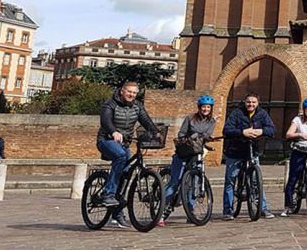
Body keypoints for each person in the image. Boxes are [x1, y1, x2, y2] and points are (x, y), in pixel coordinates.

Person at [96, 81, 158, 229]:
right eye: (129, 92)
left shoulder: (137, 106)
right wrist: (113, 132)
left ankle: (117, 214)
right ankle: (108, 193)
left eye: (135, 93)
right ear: (122, 91)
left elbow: (146, 121)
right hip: (107, 140)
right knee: (121, 157)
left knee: (125, 175)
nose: (132, 95)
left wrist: (155, 132)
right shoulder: (110, 104)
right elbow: (105, 121)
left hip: (125, 143)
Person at [159, 95, 217, 226]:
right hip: (185, 152)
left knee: (194, 184)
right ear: (199, 107)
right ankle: (161, 213)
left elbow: (207, 135)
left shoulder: (212, 121)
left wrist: (206, 139)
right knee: (174, 183)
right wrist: (189, 139)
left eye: (208, 107)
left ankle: (190, 212)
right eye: (203, 107)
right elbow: (181, 133)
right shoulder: (190, 118)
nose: (206, 109)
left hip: (197, 153)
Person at [222, 92, 276, 220]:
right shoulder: (237, 113)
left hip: (252, 150)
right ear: (245, 102)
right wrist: (242, 132)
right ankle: (228, 210)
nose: (250, 104)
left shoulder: (262, 114)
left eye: (253, 102)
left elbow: (272, 129)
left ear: (258, 103)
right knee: (231, 180)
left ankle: (262, 208)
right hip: (235, 151)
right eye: (248, 102)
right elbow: (227, 130)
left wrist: (262, 131)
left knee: (257, 180)